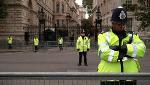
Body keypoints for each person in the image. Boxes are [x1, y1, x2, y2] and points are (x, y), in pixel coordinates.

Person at [97, 6, 146, 85]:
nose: (122, 26)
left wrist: (126, 48)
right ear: (113, 23)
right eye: (119, 24)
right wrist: (126, 54)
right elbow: (104, 53)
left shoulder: (132, 36)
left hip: (130, 78)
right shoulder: (104, 36)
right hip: (109, 78)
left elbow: (142, 50)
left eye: (124, 23)